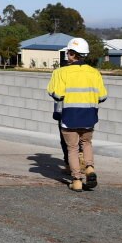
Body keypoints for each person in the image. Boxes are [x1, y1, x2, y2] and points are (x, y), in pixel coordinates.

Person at [47, 38, 108, 192]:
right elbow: (102, 97)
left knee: (72, 148)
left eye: (68, 52)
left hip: (70, 116)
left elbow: (57, 95)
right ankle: (89, 167)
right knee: (86, 143)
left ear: (73, 54)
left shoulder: (61, 72)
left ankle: (77, 180)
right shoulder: (95, 73)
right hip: (89, 116)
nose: (67, 54)